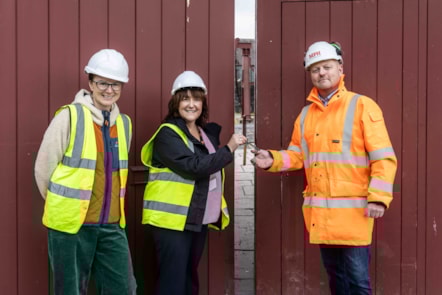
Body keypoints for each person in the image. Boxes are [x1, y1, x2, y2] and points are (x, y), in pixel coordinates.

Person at [252, 41, 397, 295]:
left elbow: (383, 158)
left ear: (340, 68)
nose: (321, 73)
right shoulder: (306, 114)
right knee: (336, 280)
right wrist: (272, 160)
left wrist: (379, 199)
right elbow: (298, 155)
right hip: (323, 215)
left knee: (358, 282)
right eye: (315, 69)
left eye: (327, 67)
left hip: (355, 214)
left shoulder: (362, 106)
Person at [34, 49, 137, 294]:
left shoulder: (124, 124)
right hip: (71, 227)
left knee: (123, 288)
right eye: (102, 82)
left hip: (112, 226)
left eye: (115, 84)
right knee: (69, 290)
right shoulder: (69, 116)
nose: (108, 89)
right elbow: (43, 169)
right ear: (91, 82)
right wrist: (63, 206)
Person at [140, 70, 247, 295]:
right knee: (173, 282)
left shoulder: (203, 132)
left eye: (196, 98)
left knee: (189, 278)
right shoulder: (167, 135)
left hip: (197, 218)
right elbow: (194, 167)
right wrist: (229, 149)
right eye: (185, 98)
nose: (191, 104)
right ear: (175, 103)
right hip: (172, 222)